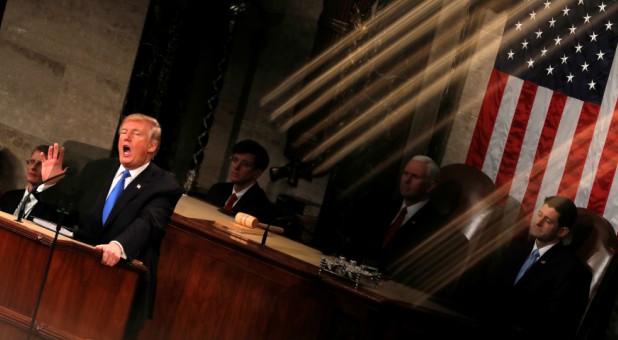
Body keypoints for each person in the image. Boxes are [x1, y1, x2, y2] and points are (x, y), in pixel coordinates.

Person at [39, 113, 183, 339]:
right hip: (76, 275)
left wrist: (118, 245)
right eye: (123, 132)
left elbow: (150, 222)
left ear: (152, 146)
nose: (127, 138)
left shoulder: (164, 184)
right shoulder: (98, 169)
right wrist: (52, 183)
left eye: (136, 134)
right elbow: (67, 210)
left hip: (122, 284)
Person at [344, 155, 469, 295]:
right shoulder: (378, 209)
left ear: (430, 186)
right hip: (354, 288)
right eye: (405, 174)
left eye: (415, 177)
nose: (406, 181)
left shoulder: (437, 229)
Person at [473, 196, 591, 339]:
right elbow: (486, 290)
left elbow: (552, 322)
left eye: (547, 221)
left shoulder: (572, 270)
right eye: (540, 214)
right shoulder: (515, 250)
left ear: (562, 232)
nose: (538, 222)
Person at [204, 139, 277, 224]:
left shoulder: (261, 206)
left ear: (258, 173)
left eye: (245, 164)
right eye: (235, 160)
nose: (236, 167)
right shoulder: (217, 189)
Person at [0, 144, 62, 222]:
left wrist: (50, 182)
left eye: (40, 164)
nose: (33, 167)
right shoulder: (9, 196)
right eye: (32, 162)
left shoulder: (53, 209)